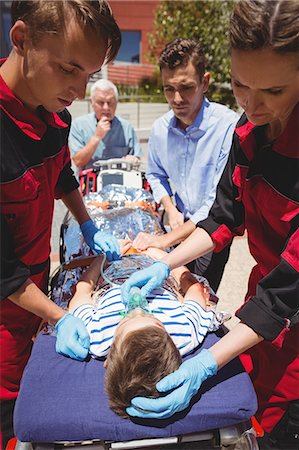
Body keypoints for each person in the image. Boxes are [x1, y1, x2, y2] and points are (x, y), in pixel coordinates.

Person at [121, 1, 299, 448]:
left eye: (273, 92)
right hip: (266, 306)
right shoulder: (248, 135)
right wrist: (166, 262)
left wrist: (205, 363)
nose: (251, 105)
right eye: (240, 85)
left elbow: (284, 295)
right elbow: (222, 218)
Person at [0, 1, 121, 445]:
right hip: (6, 303)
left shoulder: (54, 113)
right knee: (11, 409)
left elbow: (62, 172)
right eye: (69, 68)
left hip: (33, 281)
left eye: (88, 75)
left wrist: (87, 222)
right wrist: (61, 317)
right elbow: (2, 273)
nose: (77, 88)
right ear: (21, 40)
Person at [132, 38, 239, 292]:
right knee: (168, 291)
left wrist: (163, 240)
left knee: (199, 296)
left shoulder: (227, 127)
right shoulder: (160, 129)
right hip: (178, 225)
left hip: (211, 233)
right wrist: (169, 207)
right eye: (169, 89)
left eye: (186, 87)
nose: (176, 98)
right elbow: (155, 174)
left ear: (205, 82)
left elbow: (216, 205)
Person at [67, 246, 223, 418]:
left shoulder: (96, 337)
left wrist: (102, 260)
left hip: (113, 270)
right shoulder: (184, 333)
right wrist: (167, 260)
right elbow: (195, 290)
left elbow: (82, 291)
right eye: (153, 318)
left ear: (108, 360)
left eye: (126, 319)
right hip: (158, 267)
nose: (139, 307)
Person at [69, 78, 143, 173]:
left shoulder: (126, 127)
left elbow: (137, 157)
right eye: (100, 102)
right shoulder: (78, 125)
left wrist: (134, 159)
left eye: (110, 102)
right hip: (91, 185)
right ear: (92, 102)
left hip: (121, 184)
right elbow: (78, 162)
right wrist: (96, 137)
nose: (106, 108)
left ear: (116, 103)